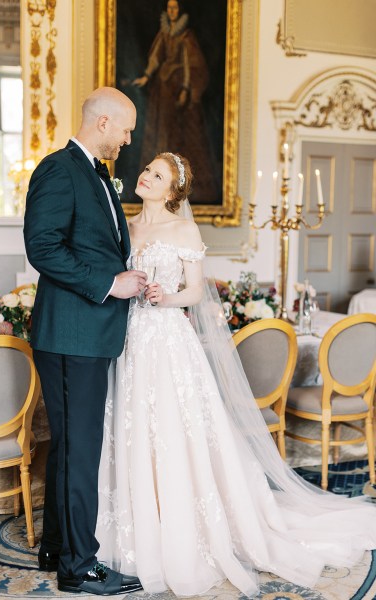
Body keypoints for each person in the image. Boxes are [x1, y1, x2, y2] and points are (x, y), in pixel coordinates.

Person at [96, 152, 376, 597]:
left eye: (157, 175)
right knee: (132, 430)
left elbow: (194, 291)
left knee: (172, 430)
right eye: (147, 170)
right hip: (128, 342)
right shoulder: (124, 226)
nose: (146, 177)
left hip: (168, 342)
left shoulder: (184, 229)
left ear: (172, 192)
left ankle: (186, 530)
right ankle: (138, 524)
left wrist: (163, 295)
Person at [23, 87, 146, 595]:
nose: (128, 137)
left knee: (72, 444)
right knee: (82, 448)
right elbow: (42, 246)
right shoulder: (60, 169)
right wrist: (110, 284)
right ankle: (79, 567)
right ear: (102, 123)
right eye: (126, 127)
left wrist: (126, 275)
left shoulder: (96, 175)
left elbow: (97, 245)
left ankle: (56, 546)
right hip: (73, 332)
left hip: (84, 333)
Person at [132, 0, 219, 203]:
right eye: (169, 8)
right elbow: (155, 56)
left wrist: (186, 89)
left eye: (175, 8)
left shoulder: (186, 36)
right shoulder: (164, 34)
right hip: (163, 91)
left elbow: (191, 63)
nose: (171, 11)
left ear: (181, 11)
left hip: (178, 87)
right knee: (161, 130)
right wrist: (146, 76)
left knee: (183, 133)